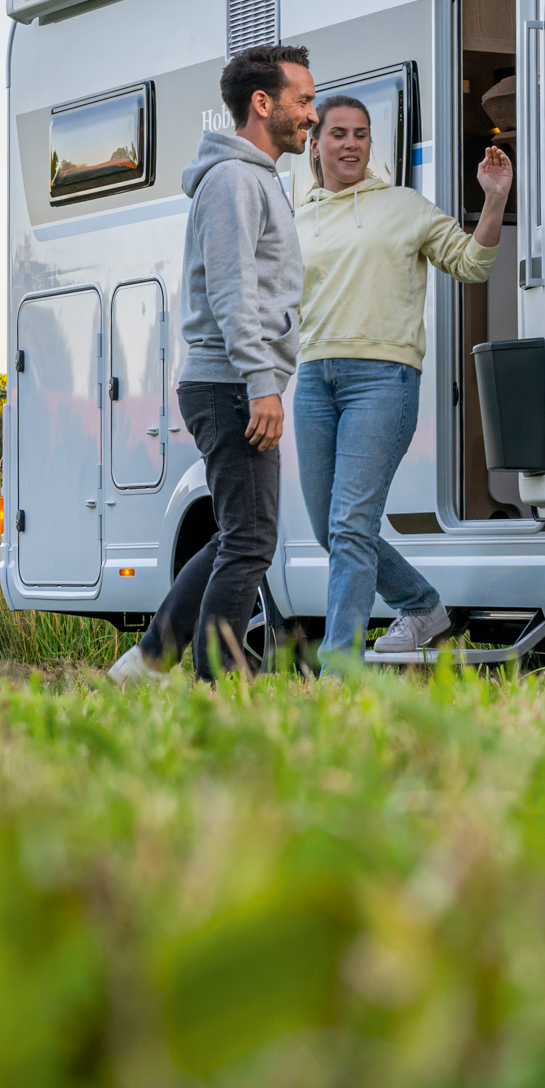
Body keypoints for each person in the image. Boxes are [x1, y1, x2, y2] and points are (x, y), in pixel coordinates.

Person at [112, 42, 313, 683]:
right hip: (230, 383)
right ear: (263, 102)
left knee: (237, 534)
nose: (311, 114)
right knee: (252, 542)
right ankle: (216, 684)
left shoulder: (255, 180)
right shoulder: (233, 181)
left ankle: (149, 662)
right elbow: (232, 292)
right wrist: (262, 383)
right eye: (303, 100)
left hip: (230, 381)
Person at [294, 96, 510, 660]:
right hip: (314, 381)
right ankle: (422, 607)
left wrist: (494, 201)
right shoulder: (299, 218)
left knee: (350, 523)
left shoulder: (403, 206)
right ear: (315, 144)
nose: (350, 144)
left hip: (382, 381)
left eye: (361, 134)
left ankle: (338, 667)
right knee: (330, 530)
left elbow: (471, 264)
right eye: (338, 133)